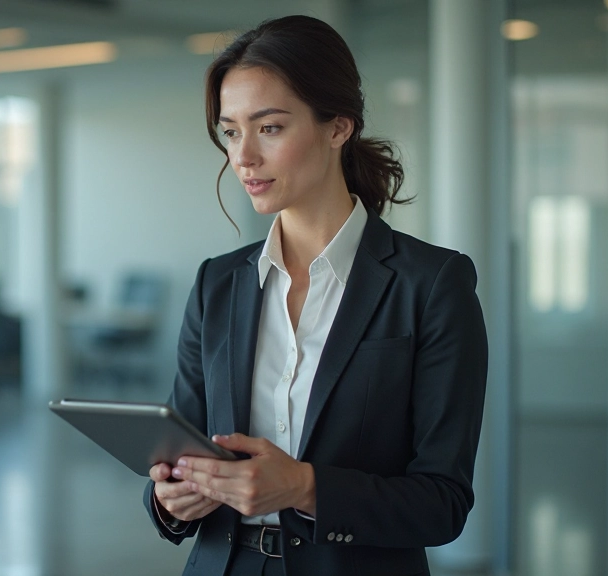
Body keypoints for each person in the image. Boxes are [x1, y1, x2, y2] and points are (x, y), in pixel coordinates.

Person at [142, 14, 488, 576]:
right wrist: (171, 500)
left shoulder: (431, 284)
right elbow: (181, 456)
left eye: (269, 128)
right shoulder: (216, 284)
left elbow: (443, 504)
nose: (243, 156)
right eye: (231, 131)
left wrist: (304, 487)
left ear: (338, 127)